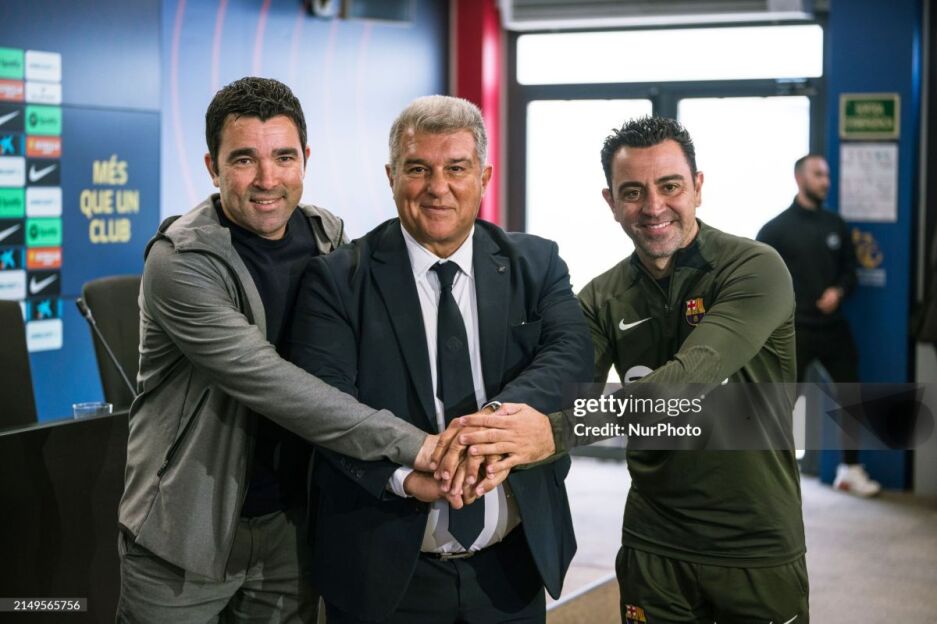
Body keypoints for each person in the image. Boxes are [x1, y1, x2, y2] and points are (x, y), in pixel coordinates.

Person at [444, 117, 810, 623]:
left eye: (670, 186)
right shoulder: (602, 297)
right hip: (652, 543)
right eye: (633, 192)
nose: (654, 207)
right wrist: (488, 433)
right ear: (611, 201)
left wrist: (552, 433)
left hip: (754, 542)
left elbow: (690, 377)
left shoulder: (754, 268)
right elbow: (560, 389)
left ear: (698, 187)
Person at [117, 77, 440, 623]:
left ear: (305, 159)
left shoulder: (327, 238)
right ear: (212, 167)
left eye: (284, 157)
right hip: (184, 534)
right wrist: (417, 447)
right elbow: (272, 383)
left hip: (292, 528)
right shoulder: (180, 261)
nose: (268, 179)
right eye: (244, 159)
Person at [289, 95, 593, 623]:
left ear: (484, 177)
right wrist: (406, 476)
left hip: (512, 573)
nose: (438, 187)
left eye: (456, 168)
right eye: (418, 169)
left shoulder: (537, 262)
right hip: (381, 575)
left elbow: (571, 357)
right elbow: (326, 408)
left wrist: (489, 428)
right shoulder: (337, 280)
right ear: (391, 177)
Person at [757, 154, 880, 497]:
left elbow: (851, 271)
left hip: (833, 327)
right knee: (784, 403)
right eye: (818, 174)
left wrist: (838, 291)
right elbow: (758, 280)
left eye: (827, 175)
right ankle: (772, 475)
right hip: (795, 330)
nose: (825, 181)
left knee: (851, 394)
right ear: (799, 178)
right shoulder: (775, 229)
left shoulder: (836, 224)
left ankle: (850, 470)